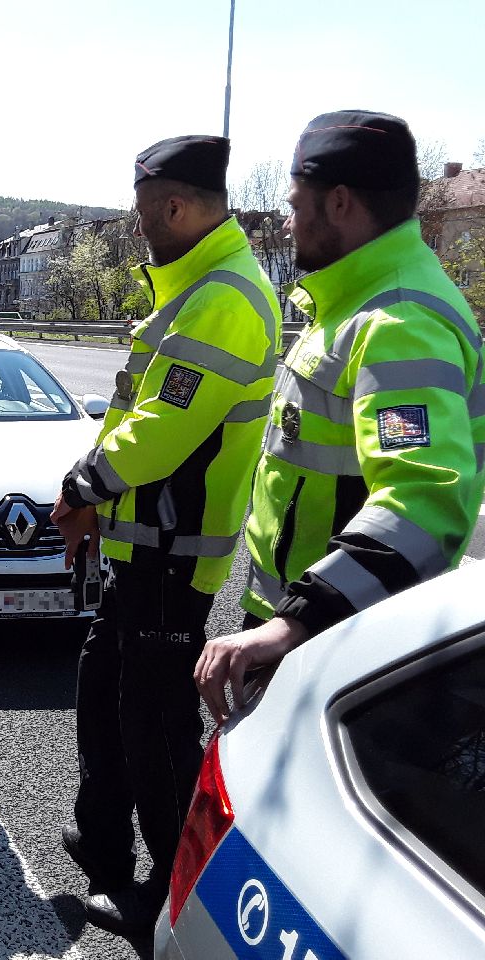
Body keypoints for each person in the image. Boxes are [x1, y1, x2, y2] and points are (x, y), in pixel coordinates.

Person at [49, 135, 280, 939]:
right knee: (102, 699)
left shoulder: (226, 295)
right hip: (137, 545)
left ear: (177, 209)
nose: (141, 232)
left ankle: (179, 892)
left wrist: (82, 487)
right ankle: (106, 838)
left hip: (172, 558)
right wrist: (97, 504)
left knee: (158, 728)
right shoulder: (190, 288)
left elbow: (162, 431)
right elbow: (137, 422)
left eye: (146, 218)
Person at [196, 110, 485, 723]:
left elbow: (425, 503)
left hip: (341, 643)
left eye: (295, 200)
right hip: (319, 623)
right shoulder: (354, 303)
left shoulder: (399, 322)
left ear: (340, 203)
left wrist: (294, 622)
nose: (284, 217)